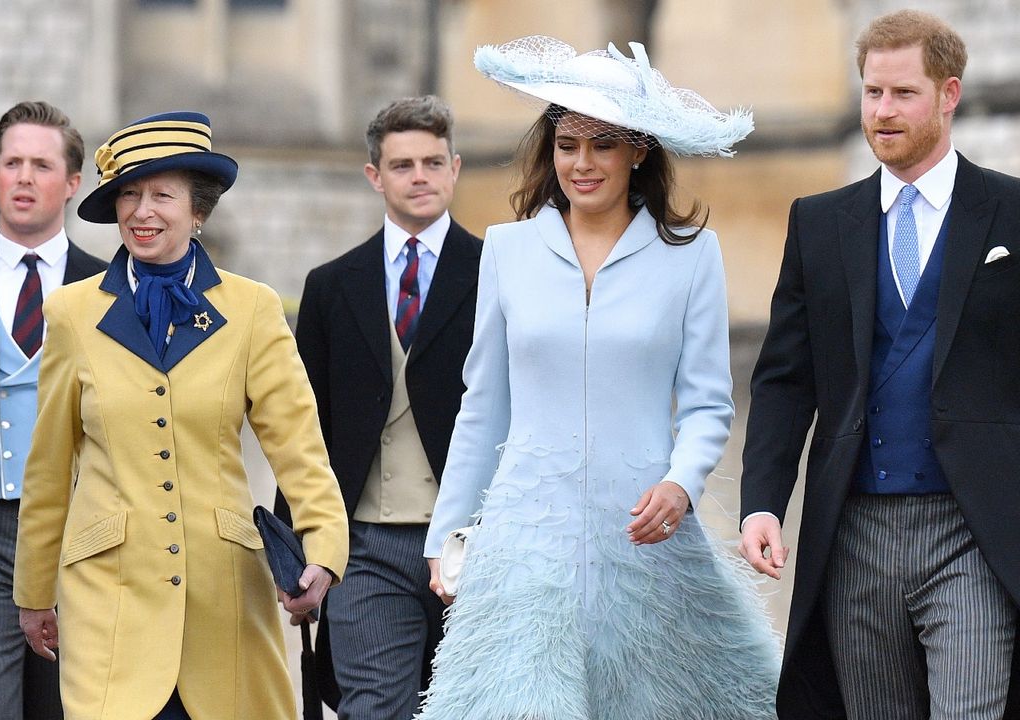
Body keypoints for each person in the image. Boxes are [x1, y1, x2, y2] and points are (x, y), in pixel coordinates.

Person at [418, 36, 779, 718]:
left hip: (648, 542)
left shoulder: (692, 257)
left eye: (603, 144)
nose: (581, 163)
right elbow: (484, 404)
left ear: (639, 149)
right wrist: (447, 533)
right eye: (567, 142)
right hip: (526, 547)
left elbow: (707, 404)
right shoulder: (507, 250)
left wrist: (681, 481)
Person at [12, 111, 349, 720]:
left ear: (198, 211)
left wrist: (323, 548)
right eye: (129, 196)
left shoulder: (252, 309)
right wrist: (33, 592)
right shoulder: (70, 313)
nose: (142, 212)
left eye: (162, 195)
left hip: (223, 602)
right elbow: (49, 467)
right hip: (108, 599)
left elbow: (299, 446)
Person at [740, 10, 1020, 718]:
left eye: (903, 94)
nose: (882, 112)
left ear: (949, 94)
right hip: (854, 533)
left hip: (974, 531)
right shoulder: (819, 221)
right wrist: (763, 501)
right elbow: (784, 379)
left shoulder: (1012, 213)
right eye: (872, 93)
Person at [291, 95, 481, 719]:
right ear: (375, 176)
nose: (420, 176)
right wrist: (298, 546)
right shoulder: (330, 286)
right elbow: (301, 426)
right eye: (403, 165)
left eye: (432, 162)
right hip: (365, 543)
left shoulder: (501, 274)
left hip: (477, 542)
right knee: (372, 710)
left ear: (455, 168)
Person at [0, 100, 105, 720]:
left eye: (41, 164)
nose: (26, 178)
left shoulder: (112, 288)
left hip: (85, 533)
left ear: (72, 183)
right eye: (13, 163)